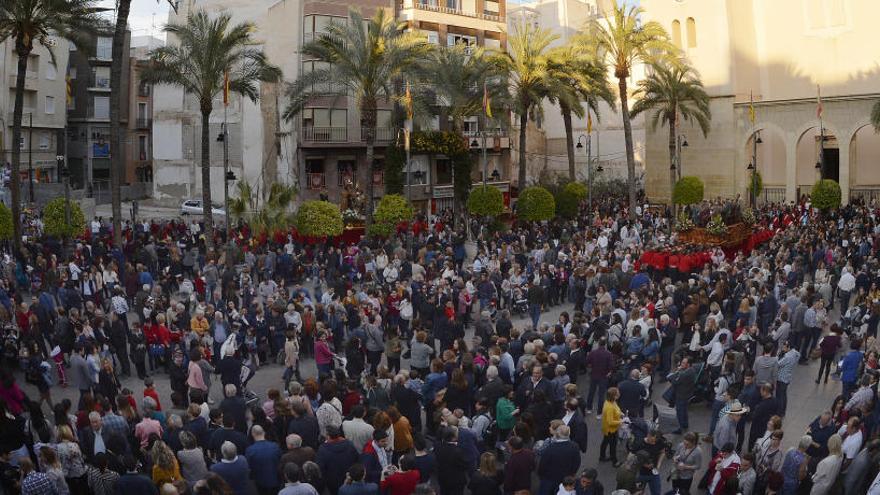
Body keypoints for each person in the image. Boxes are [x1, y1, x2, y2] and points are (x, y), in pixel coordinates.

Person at [537, 425, 580, 495]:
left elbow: (543, 464)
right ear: (569, 434)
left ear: (557, 434)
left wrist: (541, 475)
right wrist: (571, 474)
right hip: (565, 480)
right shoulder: (574, 446)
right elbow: (577, 462)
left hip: (549, 479)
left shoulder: (550, 448)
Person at [245, 425, 282, 495]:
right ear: (264, 433)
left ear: (253, 434)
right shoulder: (275, 446)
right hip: (276, 481)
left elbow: (249, 467)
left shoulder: (250, 450)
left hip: (260, 482)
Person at [435, 427, 469, 495]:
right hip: (456, 480)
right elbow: (465, 465)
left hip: (443, 478)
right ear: (453, 437)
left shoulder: (438, 446)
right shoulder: (458, 451)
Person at [599, 388, 622, 466]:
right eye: (617, 393)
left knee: (605, 441)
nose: (619, 394)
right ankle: (614, 462)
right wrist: (621, 422)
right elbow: (610, 422)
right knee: (613, 445)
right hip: (611, 430)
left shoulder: (610, 402)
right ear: (614, 396)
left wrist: (620, 413)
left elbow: (616, 409)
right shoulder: (609, 407)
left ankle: (602, 456)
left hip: (608, 429)